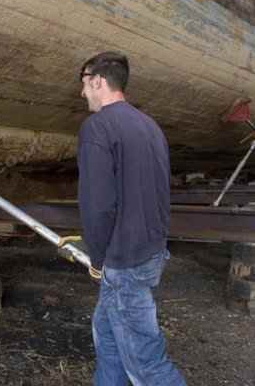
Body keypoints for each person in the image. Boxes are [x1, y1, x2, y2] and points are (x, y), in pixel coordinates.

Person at [77, 51, 186, 386]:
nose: (82, 94)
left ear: (97, 80)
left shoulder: (98, 126)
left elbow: (98, 204)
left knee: (146, 365)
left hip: (124, 261)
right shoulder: (149, 126)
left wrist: (97, 257)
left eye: (84, 85)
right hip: (151, 250)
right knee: (107, 340)